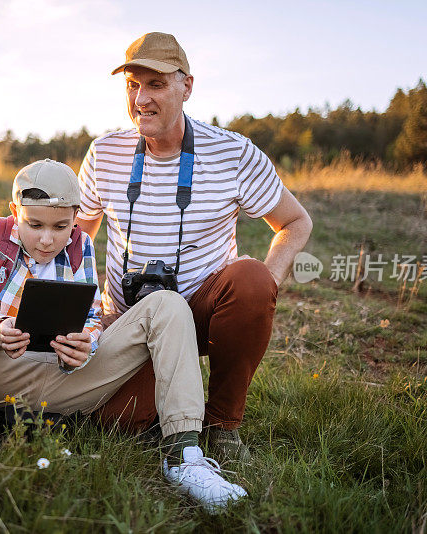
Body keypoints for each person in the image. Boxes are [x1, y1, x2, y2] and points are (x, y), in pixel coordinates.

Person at [0, 159, 247, 511]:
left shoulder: (82, 246)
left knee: (168, 303)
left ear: (75, 220)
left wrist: (86, 342)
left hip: (71, 380)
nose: (48, 239)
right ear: (16, 214)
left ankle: (184, 458)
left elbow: (94, 316)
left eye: (60, 227)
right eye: (35, 225)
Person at [77, 33, 313, 462]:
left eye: (156, 84)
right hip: (131, 322)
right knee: (121, 422)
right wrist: (92, 313)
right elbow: (77, 237)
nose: (141, 99)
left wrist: (269, 288)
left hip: (204, 315)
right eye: (133, 84)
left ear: (187, 87)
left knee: (252, 280)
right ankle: (159, 395)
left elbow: (296, 222)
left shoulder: (233, 152)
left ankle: (223, 425)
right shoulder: (104, 152)